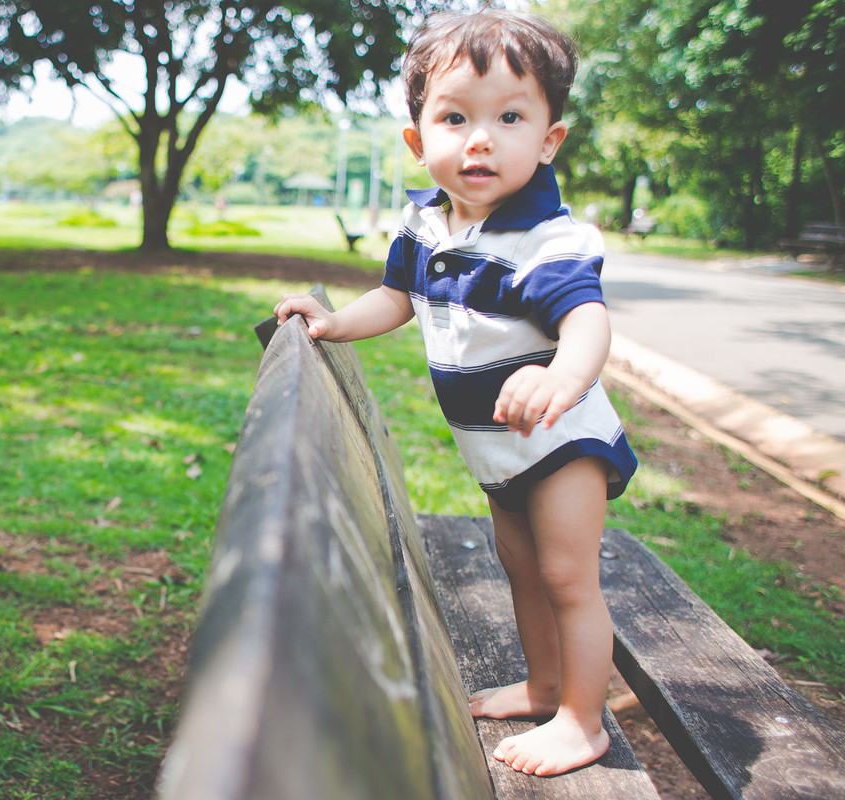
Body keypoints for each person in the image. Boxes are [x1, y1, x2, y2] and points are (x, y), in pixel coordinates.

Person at [273, 9, 637, 777]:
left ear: (548, 140)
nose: (481, 137)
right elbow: (395, 300)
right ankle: (543, 683)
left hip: (560, 438)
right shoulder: (427, 227)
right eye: (455, 117)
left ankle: (581, 719)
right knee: (519, 563)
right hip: (499, 450)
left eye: (510, 116)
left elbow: (588, 325)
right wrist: (335, 323)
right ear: (419, 139)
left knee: (568, 575)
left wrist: (561, 377)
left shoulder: (547, 241)